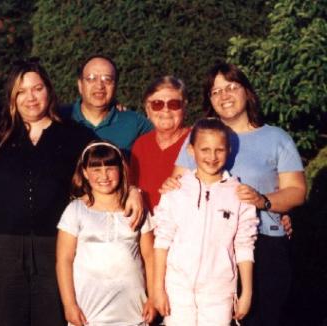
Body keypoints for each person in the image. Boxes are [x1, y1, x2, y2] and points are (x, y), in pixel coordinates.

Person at [169, 62, 306, 325]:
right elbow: (178, 184)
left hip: (263, 246)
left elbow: (297, 191)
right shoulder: (201, 136)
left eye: (231, 87)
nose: (224, 95)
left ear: (247, 92)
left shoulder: (276, 137)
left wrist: (264, 201)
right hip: (207, 251)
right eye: (215, 91)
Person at [0, 59, 98, 326]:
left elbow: (111, 165)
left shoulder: (73, 135)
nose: (31, 98)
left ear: (49, 89)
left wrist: (135, 191)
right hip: (4, 246)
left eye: (37, 88)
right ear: (12, 97)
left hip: (54, 247)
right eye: (21, 91)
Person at [153, 118, 259, 326]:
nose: (212, 157)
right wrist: (158, 288)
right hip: (177, 290)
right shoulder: (175, 191)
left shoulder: (239, 194)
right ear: (191, 151)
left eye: (219, 150)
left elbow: (244, 245)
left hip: (219, 292)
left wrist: (246, 292)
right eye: (205, 149)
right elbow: (162, 241)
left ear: (228, 150)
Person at [56, 141, 156, 326]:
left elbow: (150, 257)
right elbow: (64, 260)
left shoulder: (137, 209)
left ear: (121, 169)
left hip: (133, 310)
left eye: (110, 168)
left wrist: (153, 298)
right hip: (90, 313)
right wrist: (69, 305)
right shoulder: (75, 210)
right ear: (85, 173)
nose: (104, 176)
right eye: (96, 169)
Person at [61, 54, 153, 155]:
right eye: (91, 79)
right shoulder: (59, 118)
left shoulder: (135, 123)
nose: (99, 86)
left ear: (115, 85)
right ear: (80, 85)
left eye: (107, 79)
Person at [130, 76, 190, 213]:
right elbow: (131, 186)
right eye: (157, 104)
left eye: (174, 104)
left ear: (184, 108)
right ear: (147, 110)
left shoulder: (197, 140)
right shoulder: (141, 144)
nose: (166, 110)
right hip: (146, 227)